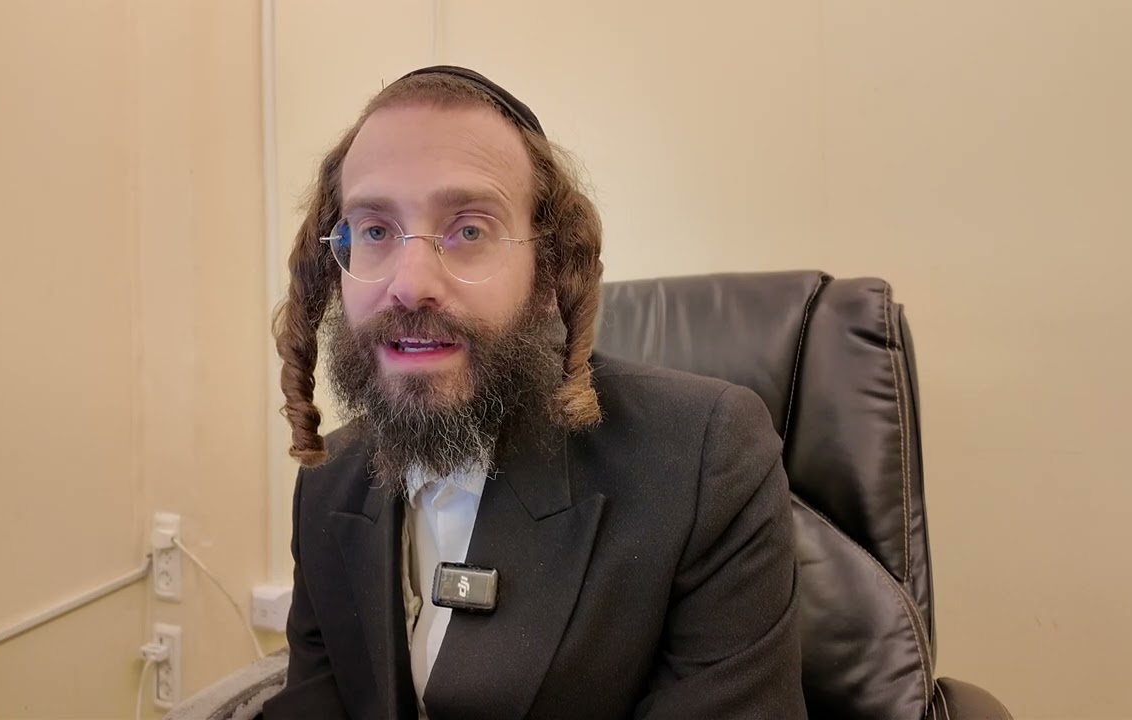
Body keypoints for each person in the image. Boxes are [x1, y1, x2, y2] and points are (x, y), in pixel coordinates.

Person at [263, 65, 806, 720]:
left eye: (469, 230)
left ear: (548, 273)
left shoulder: (704, 460)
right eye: (375, 231)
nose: (409, 284)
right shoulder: (328, 483)